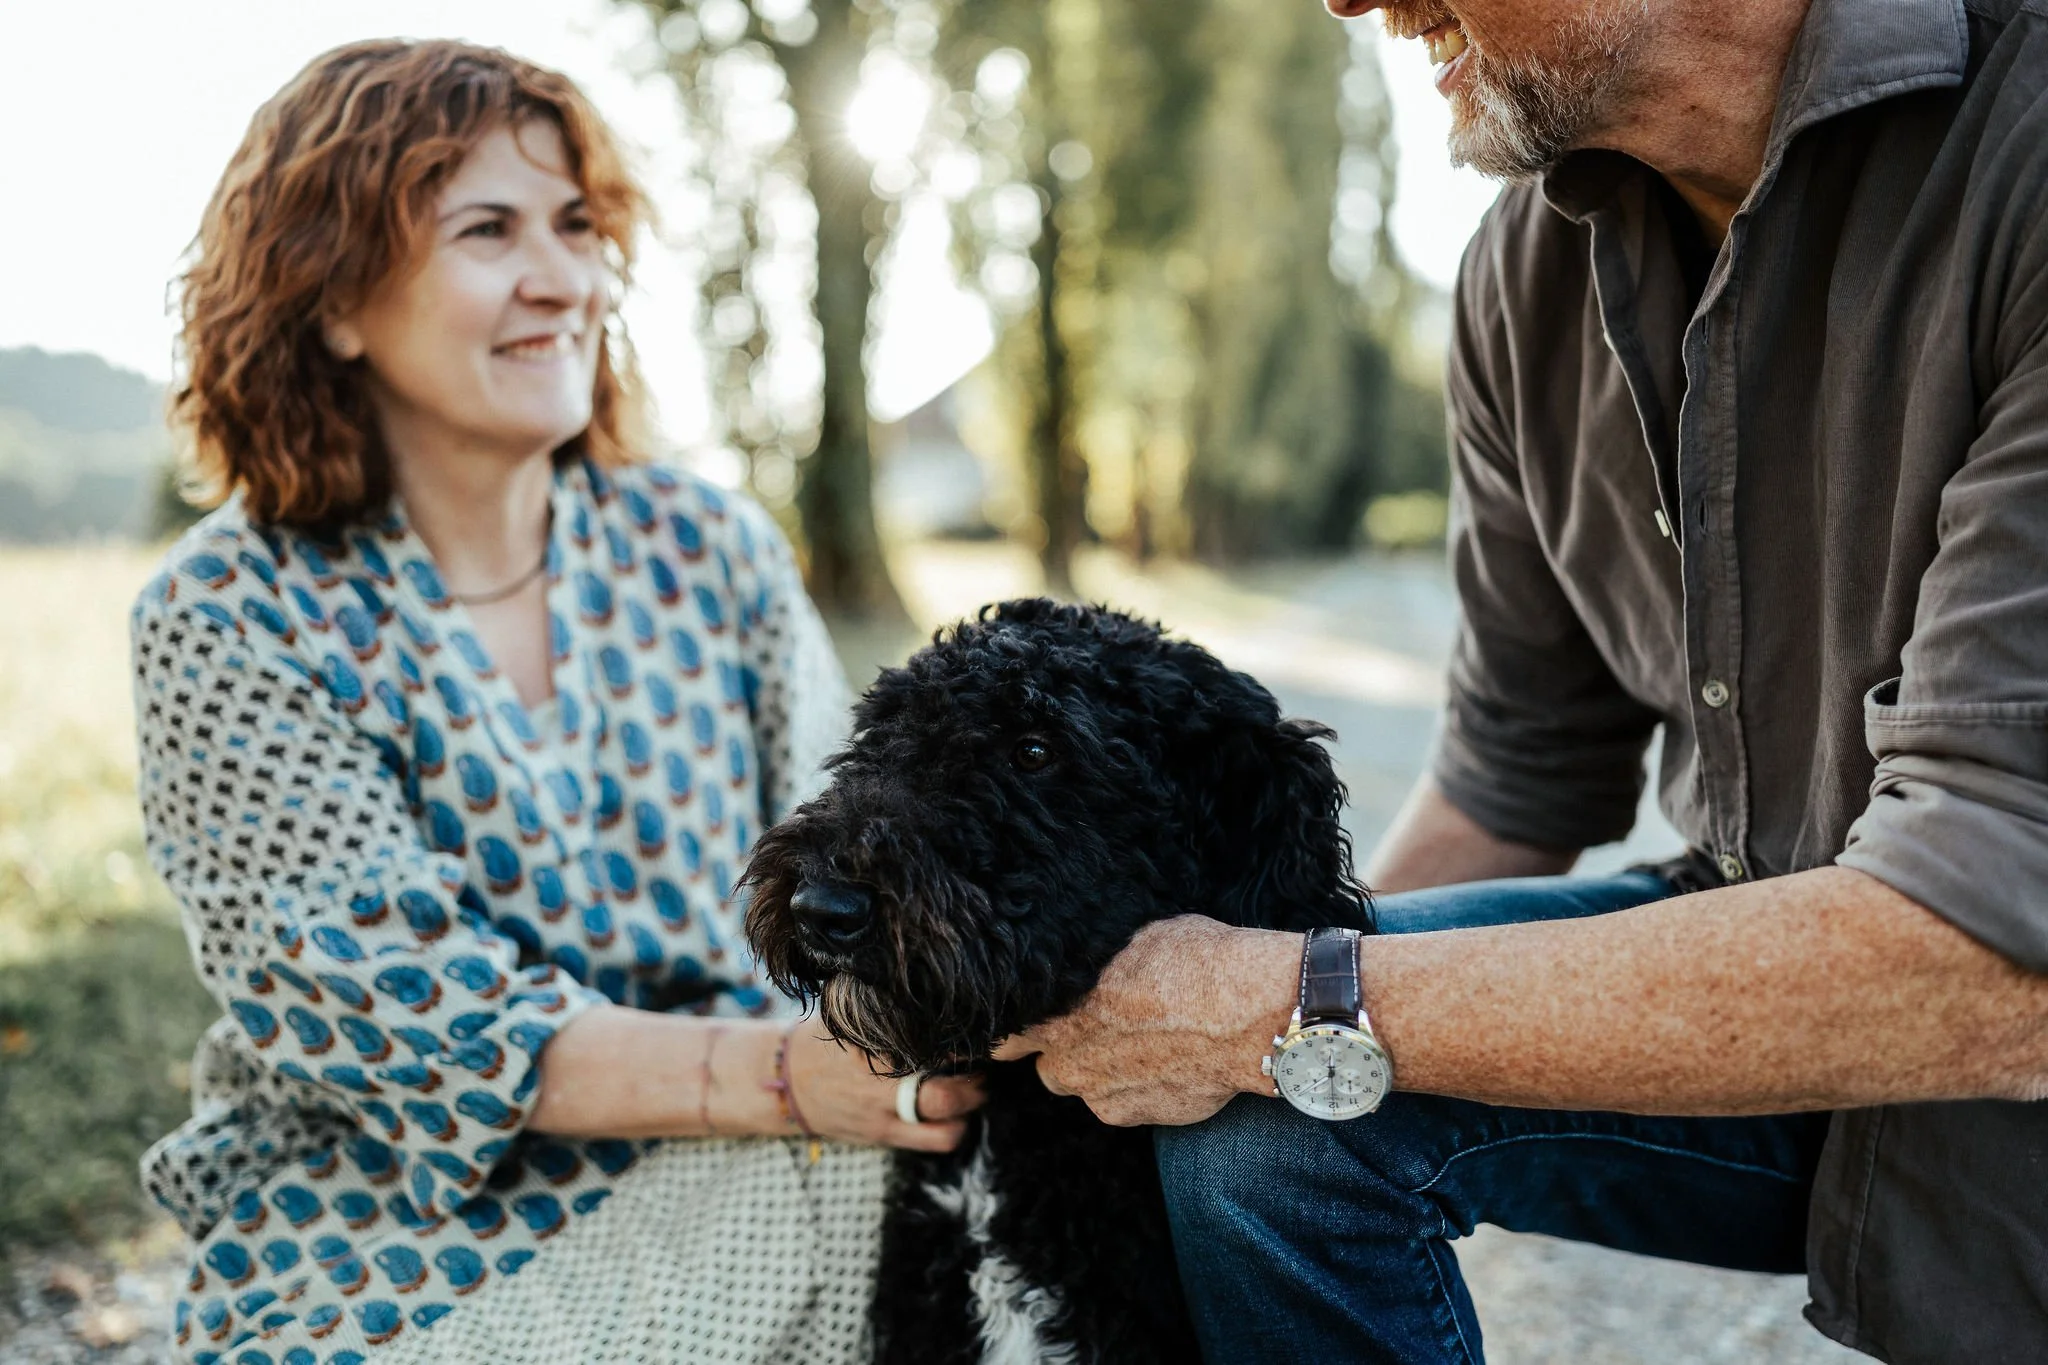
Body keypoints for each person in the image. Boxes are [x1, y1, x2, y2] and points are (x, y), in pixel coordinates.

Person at [994, 0, 2048, 1360]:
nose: (1347, 2)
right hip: (1781, 954)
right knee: (1271, 1108)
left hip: (2000, 1057)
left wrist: (1290, 997)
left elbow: (1998, 952)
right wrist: (1196, 1019)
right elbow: (1519, 768)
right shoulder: (1523, 273)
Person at [135, 39, 979, 1365]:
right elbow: (416, 1018)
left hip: (782, 1144)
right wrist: (784, 1079)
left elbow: (863, 884)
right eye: (488, 229)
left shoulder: (711, 550)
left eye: (578, 226)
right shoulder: (232, 613)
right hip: (386, 1236)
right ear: (335, 299)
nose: (565, 278)